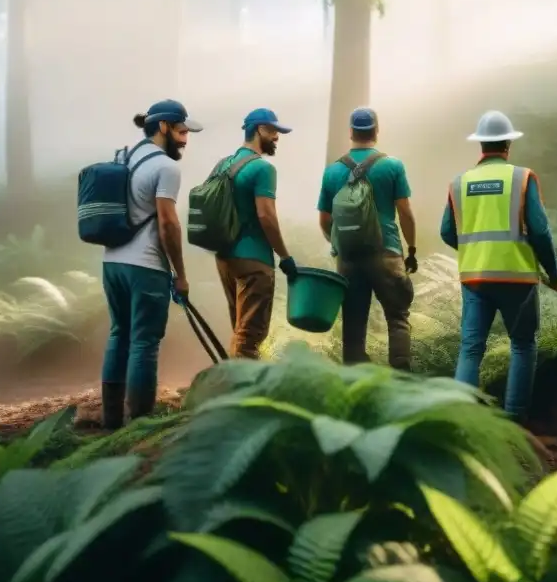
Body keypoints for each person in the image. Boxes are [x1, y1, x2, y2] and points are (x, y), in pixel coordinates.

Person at [440, 110, 557, 422]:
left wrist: (476, 251)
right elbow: (540, 230)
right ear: (508, 143)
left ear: (481, 146)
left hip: (475, 278)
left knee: (471, 349)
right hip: (517, 278)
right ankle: (514, 421)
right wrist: (552, 271)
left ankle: (464, 420)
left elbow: (446, 232)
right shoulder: (522, 178)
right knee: (522, 345)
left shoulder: (459, 183)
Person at [102, 99, 202, 428]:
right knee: (145, 340)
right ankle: (141, 423)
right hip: (145, 267)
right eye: (181, 131)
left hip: (112, 262)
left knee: (120, 334)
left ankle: (112, 419)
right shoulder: (166, 167)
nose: (186, 139)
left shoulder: (123, 157)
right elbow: (169, 224)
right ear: (163, 127)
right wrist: (181, 275)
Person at [317, 107, 418, 370]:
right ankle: (401, 381)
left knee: (353, 323)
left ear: (351, 132)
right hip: (387, 252)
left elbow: (324, 220)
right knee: (397, 319)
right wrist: (412, 248)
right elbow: (405, 213)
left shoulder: (332, 172)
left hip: (349, 259)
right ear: (376, 130)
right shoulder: (392, 166)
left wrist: (341, 244)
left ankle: (355, 386)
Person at [215, 108, 298, 359]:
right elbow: (266, 216)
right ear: (259, 129)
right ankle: (242, 396)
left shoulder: (224, 164)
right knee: (249, 338)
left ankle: (234, 386)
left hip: (225, 258)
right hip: (254, 261)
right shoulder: (262, 169)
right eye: (273, 131)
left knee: (239, 329)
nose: (276, 137)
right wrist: (285, 256)